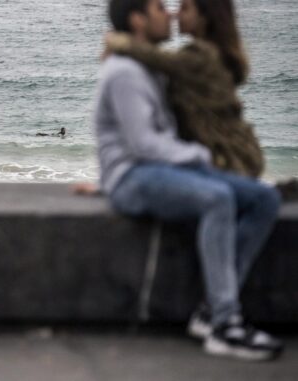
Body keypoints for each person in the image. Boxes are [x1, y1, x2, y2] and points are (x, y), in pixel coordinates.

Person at [94, 0, 282, 360]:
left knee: (264, 200)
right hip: (133, 176)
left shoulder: (153, 67)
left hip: (160, 169)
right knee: (217, 198)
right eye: (160, 9)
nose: (171, 14)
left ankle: (212, 310)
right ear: (138, 20)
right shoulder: (125, 72)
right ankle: (225, 324)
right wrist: (200, 159)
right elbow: (143, 144)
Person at [104, 0, 263, 178]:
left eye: (184, 8)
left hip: (231, 159)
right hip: (236, 154)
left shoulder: (202, 56)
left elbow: (159, 58)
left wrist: (120, 42)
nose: (175, 13)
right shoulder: (212, 53)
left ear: (203, 17)